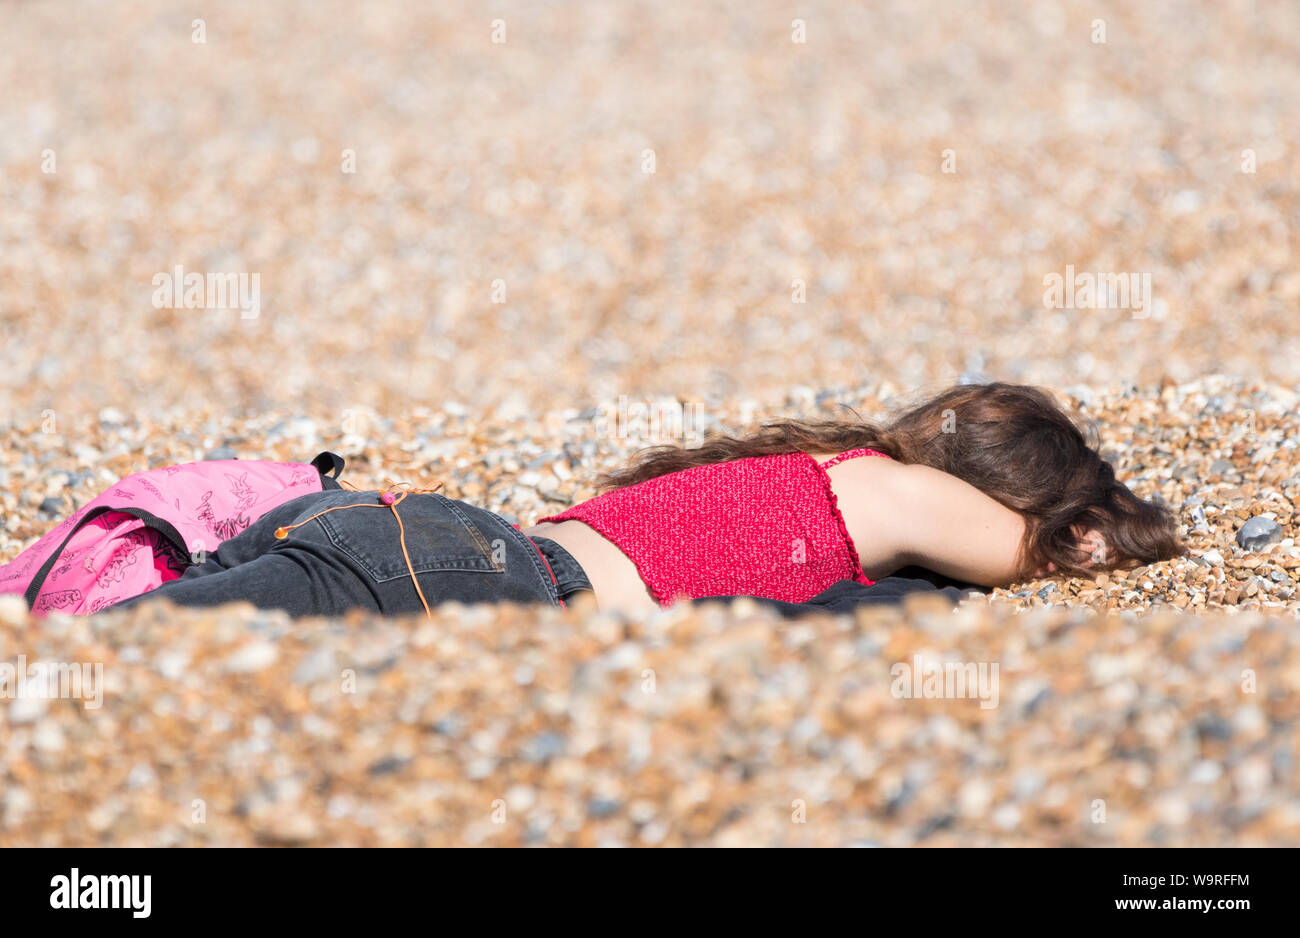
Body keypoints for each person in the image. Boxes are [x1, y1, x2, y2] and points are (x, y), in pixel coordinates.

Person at [106, 382, 1184, 618]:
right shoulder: (893, 490)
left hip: (400, 532)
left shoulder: (815, 473)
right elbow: (1019, 551)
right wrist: (1097, 532)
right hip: (464, 570)